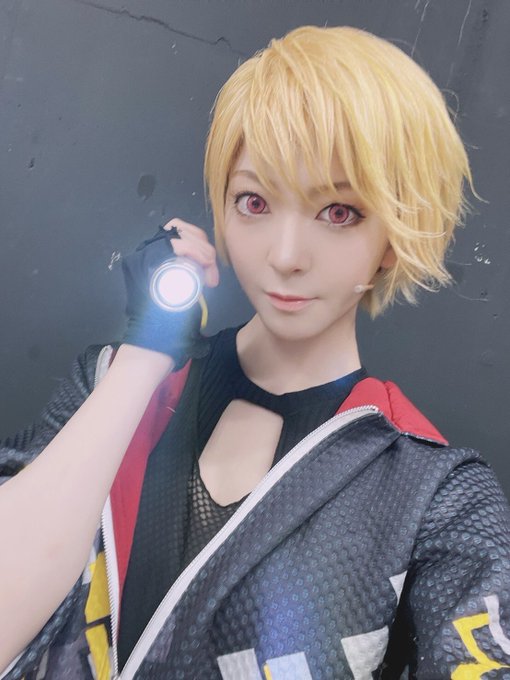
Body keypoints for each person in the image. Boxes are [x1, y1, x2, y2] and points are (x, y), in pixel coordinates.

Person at [1, 24, 509, 680]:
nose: (286, 256)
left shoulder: (433, 493)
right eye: (254, 202)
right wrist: (143, 359)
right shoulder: (105, 386)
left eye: (339, 212)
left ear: (393, 234)